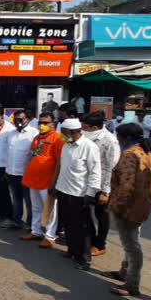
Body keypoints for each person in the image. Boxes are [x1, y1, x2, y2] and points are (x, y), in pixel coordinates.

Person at [103, 123, 151, 297]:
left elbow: (126, 186)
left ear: (126, 138)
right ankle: (124, 271)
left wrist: (116, 206)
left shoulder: (129, 155)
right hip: (142, 205)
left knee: (131, 245)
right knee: (132, 241)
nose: (117, 140)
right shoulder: (148, 153)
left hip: (128, 207)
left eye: (118, 136)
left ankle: (132, 283)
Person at [51, 118, 101, 271]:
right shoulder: (66, 145)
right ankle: (72, 251)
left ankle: (84, 258)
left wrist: (91, 193)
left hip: (80, 194)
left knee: (82, 227)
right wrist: (56, 186)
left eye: (63, 133)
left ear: (72, 132)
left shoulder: (89, 147)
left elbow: (95, 172)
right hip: (64, 190)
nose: (61, 135)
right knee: (67, 223)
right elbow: (63, 168)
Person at [20, 113, 64, 248]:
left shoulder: (59, 138)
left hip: (47, 180)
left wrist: (54, 181)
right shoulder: (37, 138)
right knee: (36, 207)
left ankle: (50, 236)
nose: (42, 125)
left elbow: (60, 162)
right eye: (40, 122)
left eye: (46, 123)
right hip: (33, 178)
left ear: (53, 124)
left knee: (49, 210)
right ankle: (36, 231)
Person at [81, 111, 121, 257]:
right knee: (85, 212)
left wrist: (106, 191)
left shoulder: (110, 141)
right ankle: (89, 240)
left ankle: (100, 244)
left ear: (94, 127)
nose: (82, 130)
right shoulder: (85, 138)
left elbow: (112, 166)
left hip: (102, 183)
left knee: (101, 215)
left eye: (85, 127)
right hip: (87, 181)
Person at [3, 110, 38, 229]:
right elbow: (8, 152)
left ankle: (30, 224)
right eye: (16, 119)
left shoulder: (34, 134)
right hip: (11, 172)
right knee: (16, 199)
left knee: (29, 201)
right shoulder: (11, 134)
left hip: (25, 174)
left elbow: (35, 155)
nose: (18, 122)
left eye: (21, 119)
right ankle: (17, 220)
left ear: (27, 119)